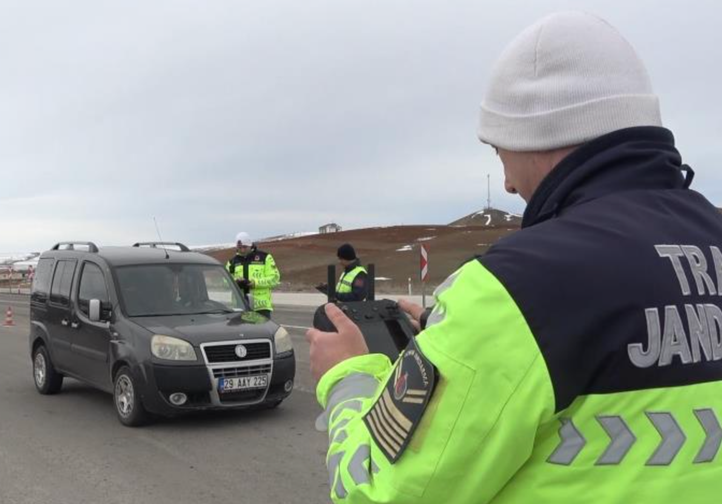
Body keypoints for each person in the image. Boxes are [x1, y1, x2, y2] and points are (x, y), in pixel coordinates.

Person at [306, 12, 722, 503]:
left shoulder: (516, 288)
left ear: (536, 136)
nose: (506, 182)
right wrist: (456, 333)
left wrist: (348, 378)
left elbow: (379, 492)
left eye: (499, 150)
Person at [226, 232, 280, 318]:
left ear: (250, 245)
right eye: (240, 247)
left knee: (262, 331)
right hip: (240, 306)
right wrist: (235, 283)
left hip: (261, 307)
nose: (242, 250)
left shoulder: (265, 258)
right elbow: (225, 281)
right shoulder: (232, 262)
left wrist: (254, 283)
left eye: (245, 247)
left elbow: (274, 278)